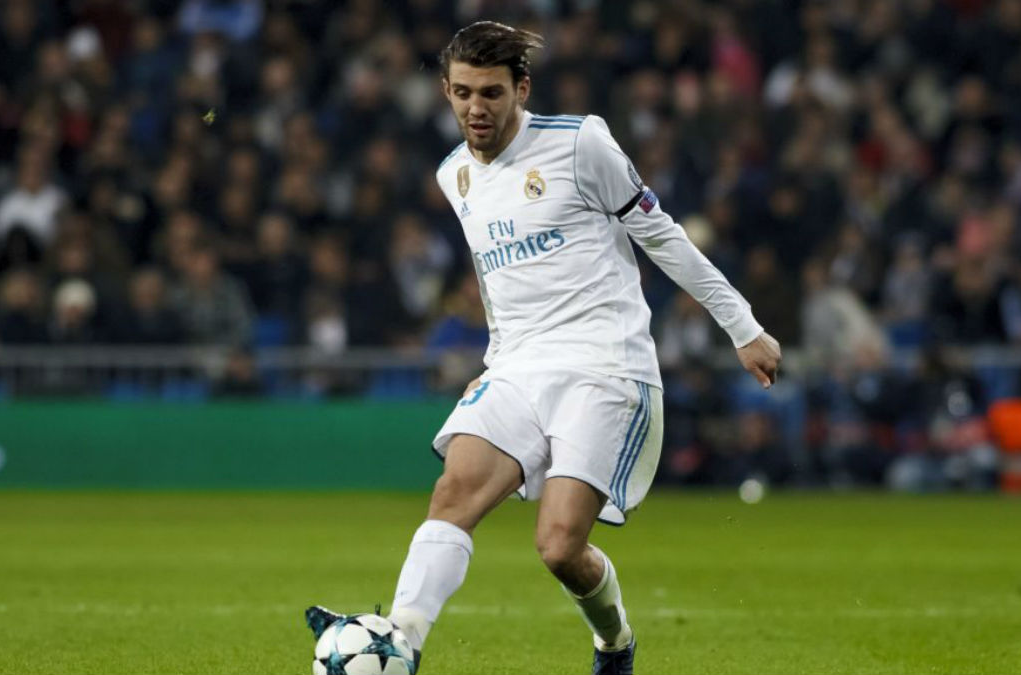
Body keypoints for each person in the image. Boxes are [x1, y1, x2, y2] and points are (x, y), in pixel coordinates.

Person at [306, 21, 781, 675]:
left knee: (559, 546)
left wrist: (743, 325)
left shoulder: (581, 143)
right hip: (518, 367)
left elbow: (662, 236)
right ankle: (402, 645)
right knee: (452, 493)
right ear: (445, 91)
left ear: (521, 88)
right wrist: (499, 361)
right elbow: (494, 280)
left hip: (603, 366)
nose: (477, 108)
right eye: (464, 92)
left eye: (493, 93)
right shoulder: (454, 176)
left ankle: (615, 642)